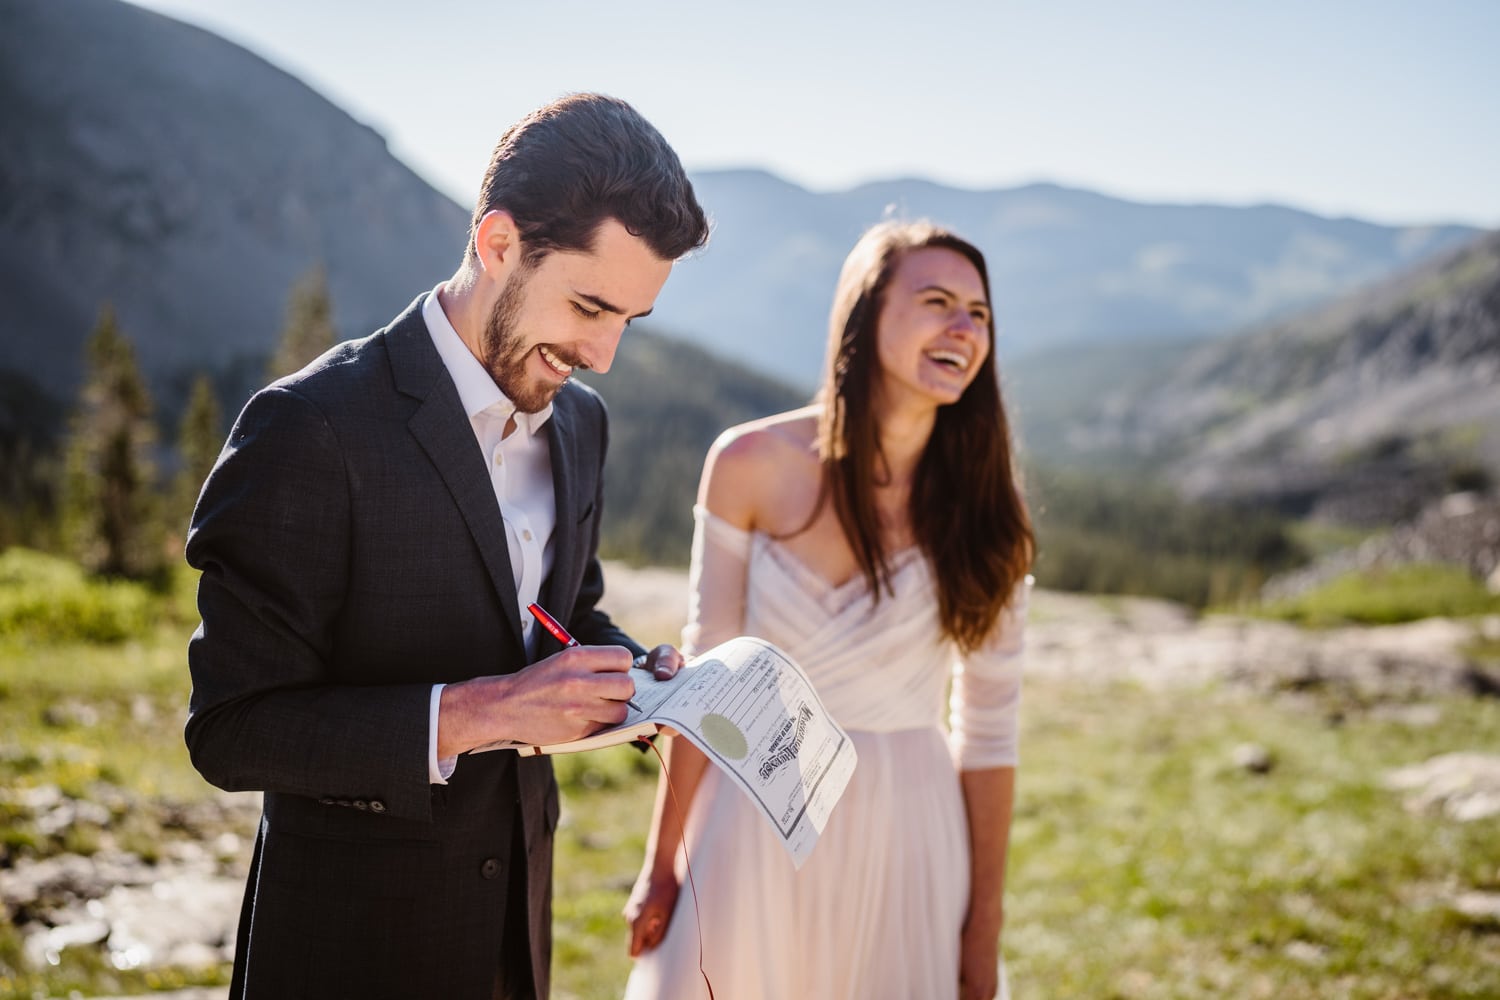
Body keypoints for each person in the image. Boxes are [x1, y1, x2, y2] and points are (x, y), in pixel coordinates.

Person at [184, 93, 710, 1000]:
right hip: (350, 949)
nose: (604, 353)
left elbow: (563, 610)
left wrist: (642, 677)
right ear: (499, 242)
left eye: (630, 319)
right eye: (590, 305)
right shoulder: (309, 428)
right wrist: (486, 713)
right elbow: (233, 730)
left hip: (516, 936)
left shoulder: (580, 425)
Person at [623, 220, 1034, 1000]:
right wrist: (663, 867)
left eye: (979, 313)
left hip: (913, 834)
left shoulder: (988, 511)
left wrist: (982, 932)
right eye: (938, 301)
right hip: (755, 819)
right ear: (866, 315)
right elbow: (705, 687)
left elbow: (989, 733)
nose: (963, 328)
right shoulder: (749, 465)